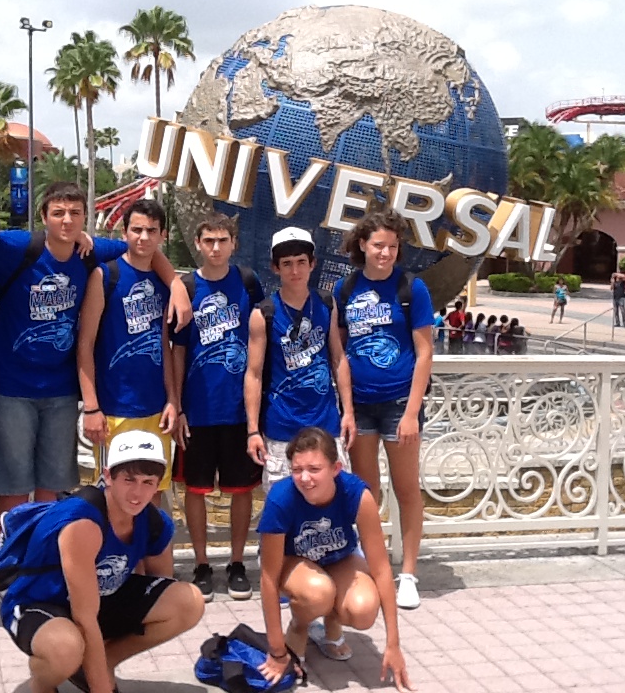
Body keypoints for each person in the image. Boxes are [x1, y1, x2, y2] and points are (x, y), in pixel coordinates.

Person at [0, 183, 191, 538]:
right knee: (14, 491)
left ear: (84, 217)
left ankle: (44, 557)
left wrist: (176, 284)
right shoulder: (20, 246)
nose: (67, 220)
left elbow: (144, 248)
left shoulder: (91, 251)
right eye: (58, 213)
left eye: (75, 213)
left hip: (60, 391)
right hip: (9, 389)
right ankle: (12, 560)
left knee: (52, 489)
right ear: (43, 216)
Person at [0, 430, 205, 693]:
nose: (137, 493)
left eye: (148, 482)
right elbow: (85, 618)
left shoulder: (155, 521)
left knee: (189, 601)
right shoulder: (83, 522)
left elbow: (161, 583)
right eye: (128, 480)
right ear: (107, 476)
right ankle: (42, 682)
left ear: (158, 483)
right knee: (65, 648)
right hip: (39, 603)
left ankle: (100, 664)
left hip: (98, 598)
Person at [256, 427, 413, 692]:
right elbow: (268, 578)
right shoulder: (281, 498)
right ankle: (299, 626)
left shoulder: (356, 494)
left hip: (339, 557)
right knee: (319, 592)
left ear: (336, 468)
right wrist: (276, 650)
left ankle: (331, 623)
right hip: (291, 563)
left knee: (364, 610)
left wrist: (393, 644)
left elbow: (381, 569)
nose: (305, 478)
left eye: (314, 469)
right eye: (297, 470)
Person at [333, 210, 433, 610]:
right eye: (378, 245)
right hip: (361, 404)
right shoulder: (346, 288)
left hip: (399, 403)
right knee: (366, 492)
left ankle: (407, 573)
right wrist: (346, 407)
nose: (385, 253)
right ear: (363, 245)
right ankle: (375, 569)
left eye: (392, 246)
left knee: (407, 489)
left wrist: (411, 413)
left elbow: (425, 353)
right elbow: (340, 351)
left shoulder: (411, 288)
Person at [170, 214, 264, 602]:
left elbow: (261, 341)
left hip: (239, 409)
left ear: (233, 243)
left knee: (241, 490)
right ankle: (202, 564)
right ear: (198, 243)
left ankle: (237, 563)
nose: (215, 247)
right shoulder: (187, 287)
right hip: (198, 409)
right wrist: (177, 404)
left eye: (222, 240)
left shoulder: (248, 282)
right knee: (196, 489)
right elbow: (177, 350)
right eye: (208, 240)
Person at [78, 199, 178, 507]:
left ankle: (151, 542)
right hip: (114, 408)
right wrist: (92, 407)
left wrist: (173, 400)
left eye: (151, 231)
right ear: (125, 233)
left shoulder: (164, 282)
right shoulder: (106, 276)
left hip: (155, 408)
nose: (143, 237)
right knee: (114, 493)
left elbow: (164, 346)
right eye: (136, 230)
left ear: (163, 236)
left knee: (153, 490)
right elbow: (85, 343)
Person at [244, 226, 357, 493]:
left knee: (335, 497)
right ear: (275, 267)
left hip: (326, 422)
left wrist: (348, 412)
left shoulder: (326, 304)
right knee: (284, 500)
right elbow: (254, 374)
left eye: (301, 262)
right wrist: (253, 430)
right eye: (287, 264)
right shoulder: (264, 314)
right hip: (283, 423)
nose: (295, 271)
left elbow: (338, 358)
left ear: (312, 264)